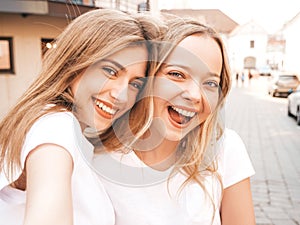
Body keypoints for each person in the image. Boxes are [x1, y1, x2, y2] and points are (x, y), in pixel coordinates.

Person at [0, 9, 164, 225]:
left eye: (135, 83)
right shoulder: (57, 126)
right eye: (110, 71)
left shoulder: (78, 134)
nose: (121, 95)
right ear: (74, 63)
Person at [90, 16, 256, 225]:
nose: (195, 95)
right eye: (177, 74)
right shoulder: (100, 162)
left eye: (210, 83)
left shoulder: (225, 149)